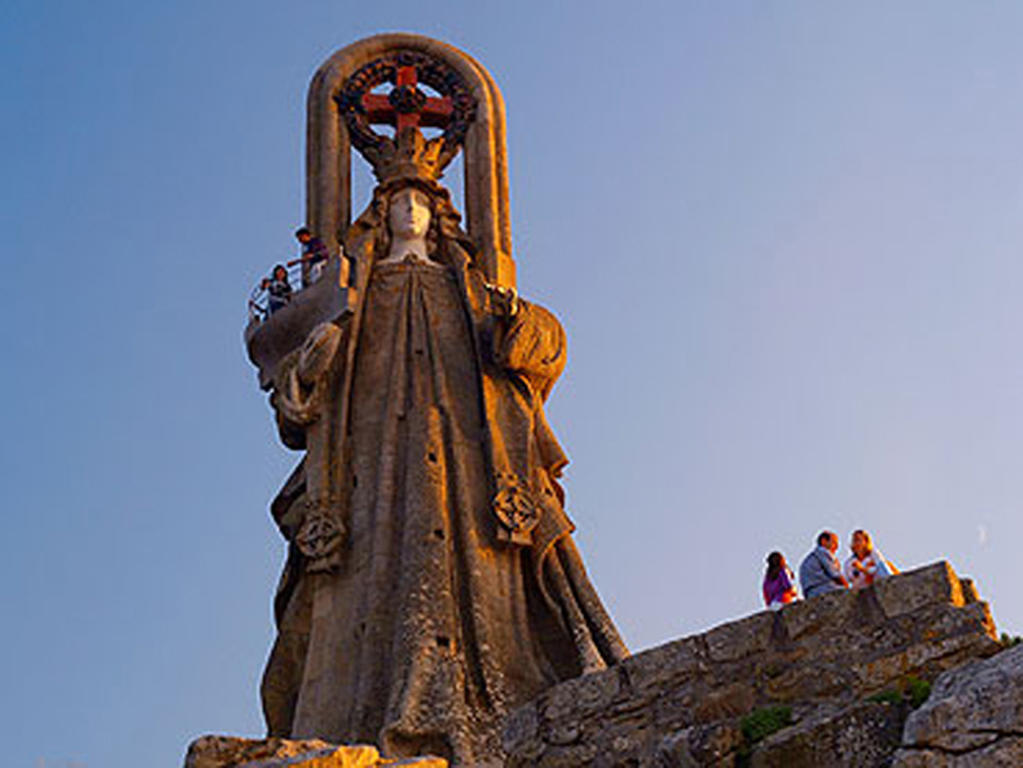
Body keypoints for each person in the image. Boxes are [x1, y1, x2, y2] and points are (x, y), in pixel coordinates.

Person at [260, 129, 628, 764]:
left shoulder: (471, 289)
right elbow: (296, 402)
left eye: (419, 202)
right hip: (376, 460)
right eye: (396, 202)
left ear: (437, 215)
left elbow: (543, 350)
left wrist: (521, 326)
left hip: (468, 452)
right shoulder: (355, 297)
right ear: (380, 215)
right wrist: (307, 373)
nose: (409, 211)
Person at [799, 530, 849, 598]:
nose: (836, 547)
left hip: (810, 592)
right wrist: (848, 587)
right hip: (823, 588)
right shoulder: (822, 552)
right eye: (834, 542)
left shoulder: (811, 557)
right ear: (824, 541)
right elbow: (835, 575)